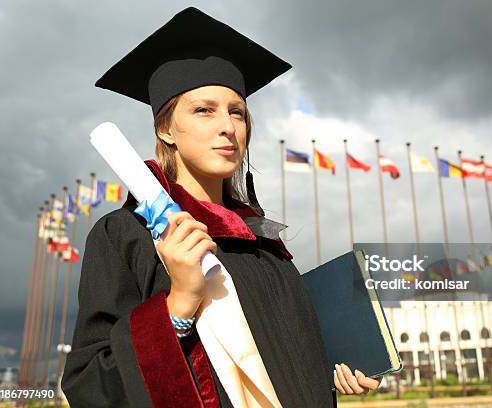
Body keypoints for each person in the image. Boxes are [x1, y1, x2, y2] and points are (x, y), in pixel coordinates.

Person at [61, 7, 381, 408]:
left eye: (237, 112)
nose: (227, 127)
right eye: (204, 110)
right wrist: (178, 303)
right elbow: (88, 385)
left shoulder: (263, 243)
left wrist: (338, 363)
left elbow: (289, 364)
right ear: (165, 128)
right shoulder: (127, 234)